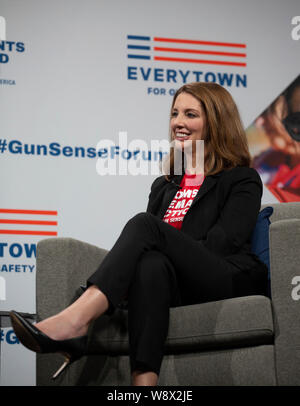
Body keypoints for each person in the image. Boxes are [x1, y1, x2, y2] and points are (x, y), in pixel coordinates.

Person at [10, 82, 268, 386]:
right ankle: (144, 385)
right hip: (174, 283)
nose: (178, 123)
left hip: (224, 276)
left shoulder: (241, 179)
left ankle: (77, 318)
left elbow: (223, 244)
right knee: (149, 265)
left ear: (217, 121)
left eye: (190, 114)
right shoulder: (164, 185)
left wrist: (169, 243)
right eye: (174, 114)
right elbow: (152, 252)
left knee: (146, 226)